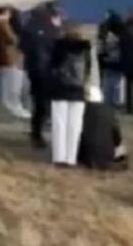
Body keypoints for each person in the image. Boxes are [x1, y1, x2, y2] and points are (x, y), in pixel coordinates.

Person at [48, 24, 93, 167]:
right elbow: (89, 70)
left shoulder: (58, 46)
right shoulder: (86, 49)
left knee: (59, 124)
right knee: (75, 126)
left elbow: (52, 68)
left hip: (60, 90)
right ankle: (71, 158)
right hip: (78, 91)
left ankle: (59, 157)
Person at [22, 5, 63, 148]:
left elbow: (22, 47)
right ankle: (43, 133)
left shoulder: (28, 27)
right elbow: (57, 49)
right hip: (47, 70)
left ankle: (36, 133)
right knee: (47, 103)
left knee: (38, 102)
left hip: (33, 69)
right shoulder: (51, 29)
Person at [0, 6, 30, 120]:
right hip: (10, 58)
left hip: (7, 59)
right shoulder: (3, 24)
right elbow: (13, 39)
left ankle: (10, 107)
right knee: (12, 87)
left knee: (9, 85)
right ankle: (13, 108)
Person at [78, 86, 128, 171]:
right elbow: (117, 136)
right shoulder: (110, 111)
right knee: (120, 145)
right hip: (107, 155)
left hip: (87, 157)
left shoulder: (83, 110)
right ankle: (119, 158)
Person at [98, 11, 124, 107]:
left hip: (108, 60)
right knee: (116, 83)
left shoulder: (106, 32)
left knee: (108, 82)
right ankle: (115, 101)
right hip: (118, 61)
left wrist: (101, 58)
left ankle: (107, 101)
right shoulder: (122, 33)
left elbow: (102, 46)